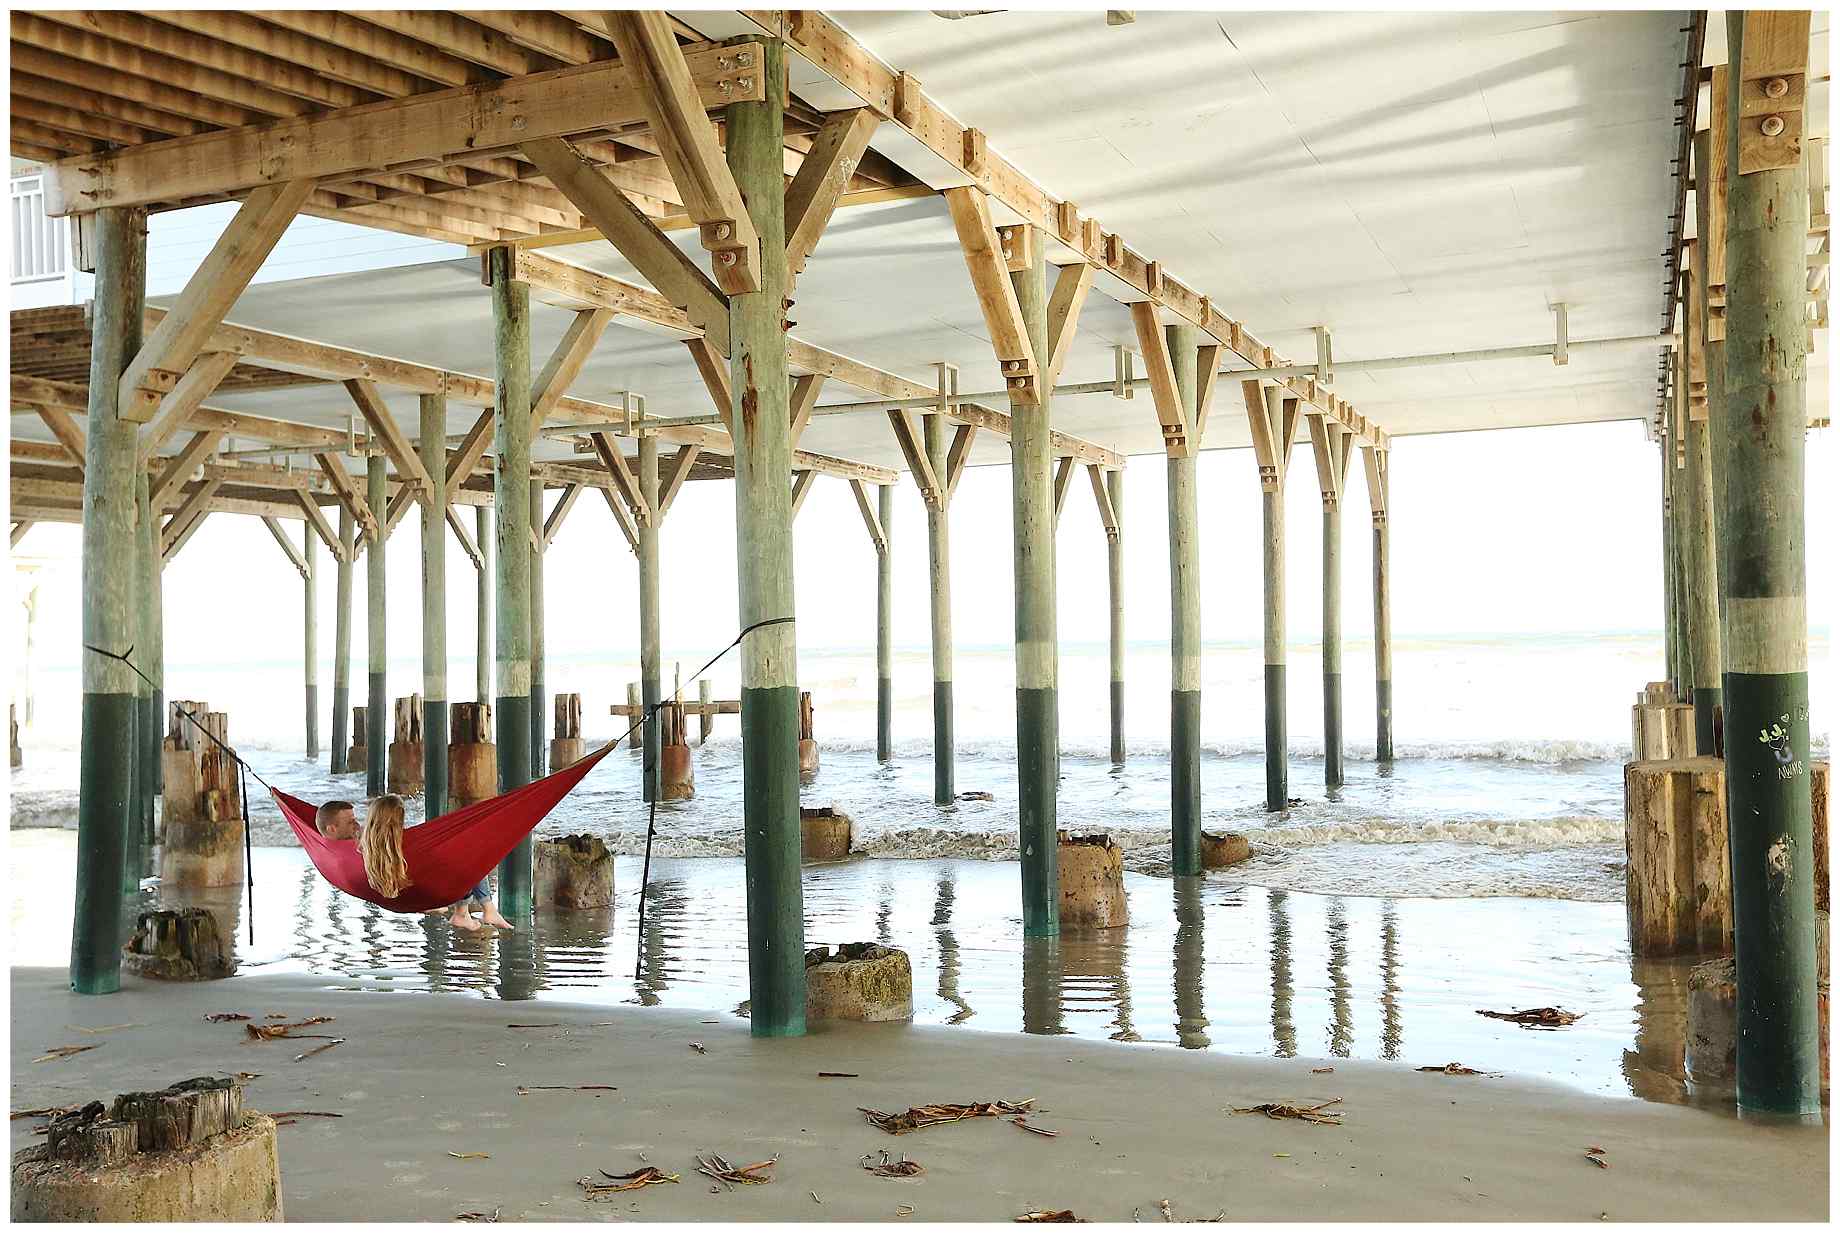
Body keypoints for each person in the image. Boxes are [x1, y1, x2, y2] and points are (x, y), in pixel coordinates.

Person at [358, 795, 513, 933]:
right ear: (398, 818)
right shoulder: (410, 840)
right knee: (472, 855)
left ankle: (464, 914)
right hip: (428, 896)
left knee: (462, 855)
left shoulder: (365, 845)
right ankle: (483, 909)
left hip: (403, 896)